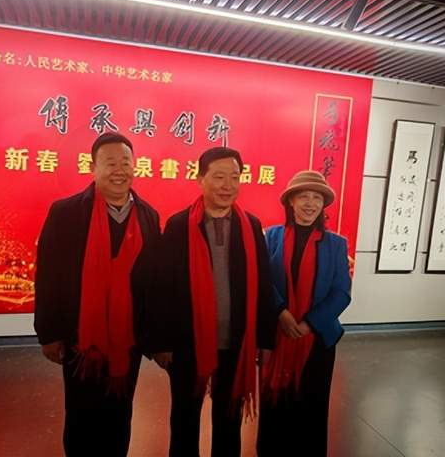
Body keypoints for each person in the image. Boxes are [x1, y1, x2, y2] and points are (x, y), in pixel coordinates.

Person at [34, 132, 160, 457]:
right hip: (81, 339)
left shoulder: (148, 216)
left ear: (135, 166)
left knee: (120, 413)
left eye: (125, 162)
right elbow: (48, 275)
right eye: (110, 163)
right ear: (93, 168)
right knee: (81, 415)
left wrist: (154, 338)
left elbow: (152, 282)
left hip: (127, 337)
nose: (119, 170)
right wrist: (49, 333)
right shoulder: (66, 213)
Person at [147, 147, 277, 457]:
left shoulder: (251, 226)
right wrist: (161, 342)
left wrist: (264, 339)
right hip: (187, 341)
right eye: (219, 177)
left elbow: (263, 284)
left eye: (235, 177)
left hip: (236, 342)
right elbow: (161, 287)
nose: (227, 185)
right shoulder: (179, 226)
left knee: (229, 419)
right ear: (200, 179)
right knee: (185, 418)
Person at [257, 170, 352, 457]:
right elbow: (263, 281)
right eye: (303, 197)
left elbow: (341, 292)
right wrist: (281, 313)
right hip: (278, 334)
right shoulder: (271, 236)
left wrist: (309, 323)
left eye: (317, 198)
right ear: (291, 201)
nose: (310, 204)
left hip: (318, 339)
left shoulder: (336, 244)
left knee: (312, 405)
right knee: (275, 403)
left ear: (323, 205)